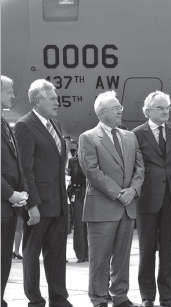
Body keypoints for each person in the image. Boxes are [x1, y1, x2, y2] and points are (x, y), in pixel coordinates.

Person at [78, 90, 144, 307]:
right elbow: (92, 171)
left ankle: (120, 295)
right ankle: (98, 298)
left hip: (127, 206)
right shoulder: (88, 138)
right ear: (102, 112)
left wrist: (133, 191)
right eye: (116, 109)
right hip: (104, 206)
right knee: (100, 258)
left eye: (120, 108)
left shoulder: (130, 136)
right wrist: (119, 193)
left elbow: (139, 168)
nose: (120, 112)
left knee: (122, 257)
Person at [14, 79, 72, 307]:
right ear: (38, 101)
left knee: (57, 255)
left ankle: (59, 299)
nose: (57, 101)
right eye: (52, 98)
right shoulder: (25, 125)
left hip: (58, 203)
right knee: (31, 254)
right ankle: (35, 301)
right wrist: (32, 204)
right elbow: (24, 169)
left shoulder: (55, 124)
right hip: (38, 205)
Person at [132, 91, 171, 307]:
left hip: (170, 197)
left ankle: (167, 295)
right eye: (160, 108)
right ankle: (147, 296)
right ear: (147, 111)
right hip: (148, 198)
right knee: (147, 249)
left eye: (167, 108)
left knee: (168, 250)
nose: (165, 112)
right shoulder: (136, 134)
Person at [1, 75, 28, 307]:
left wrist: (21, 193)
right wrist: (11, 193)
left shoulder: (5, 125)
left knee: (3, 261)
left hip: (9, 207)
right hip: (3, 203)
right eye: (9, 91)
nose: (13, 95)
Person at [67, 149, 88, 263]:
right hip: (77, 193)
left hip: (89, 193)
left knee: (88, 225)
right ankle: (80, 253)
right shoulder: (72, 161)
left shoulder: (91, 158)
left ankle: (88, 252)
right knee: (79, 224)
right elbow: (69, 177)